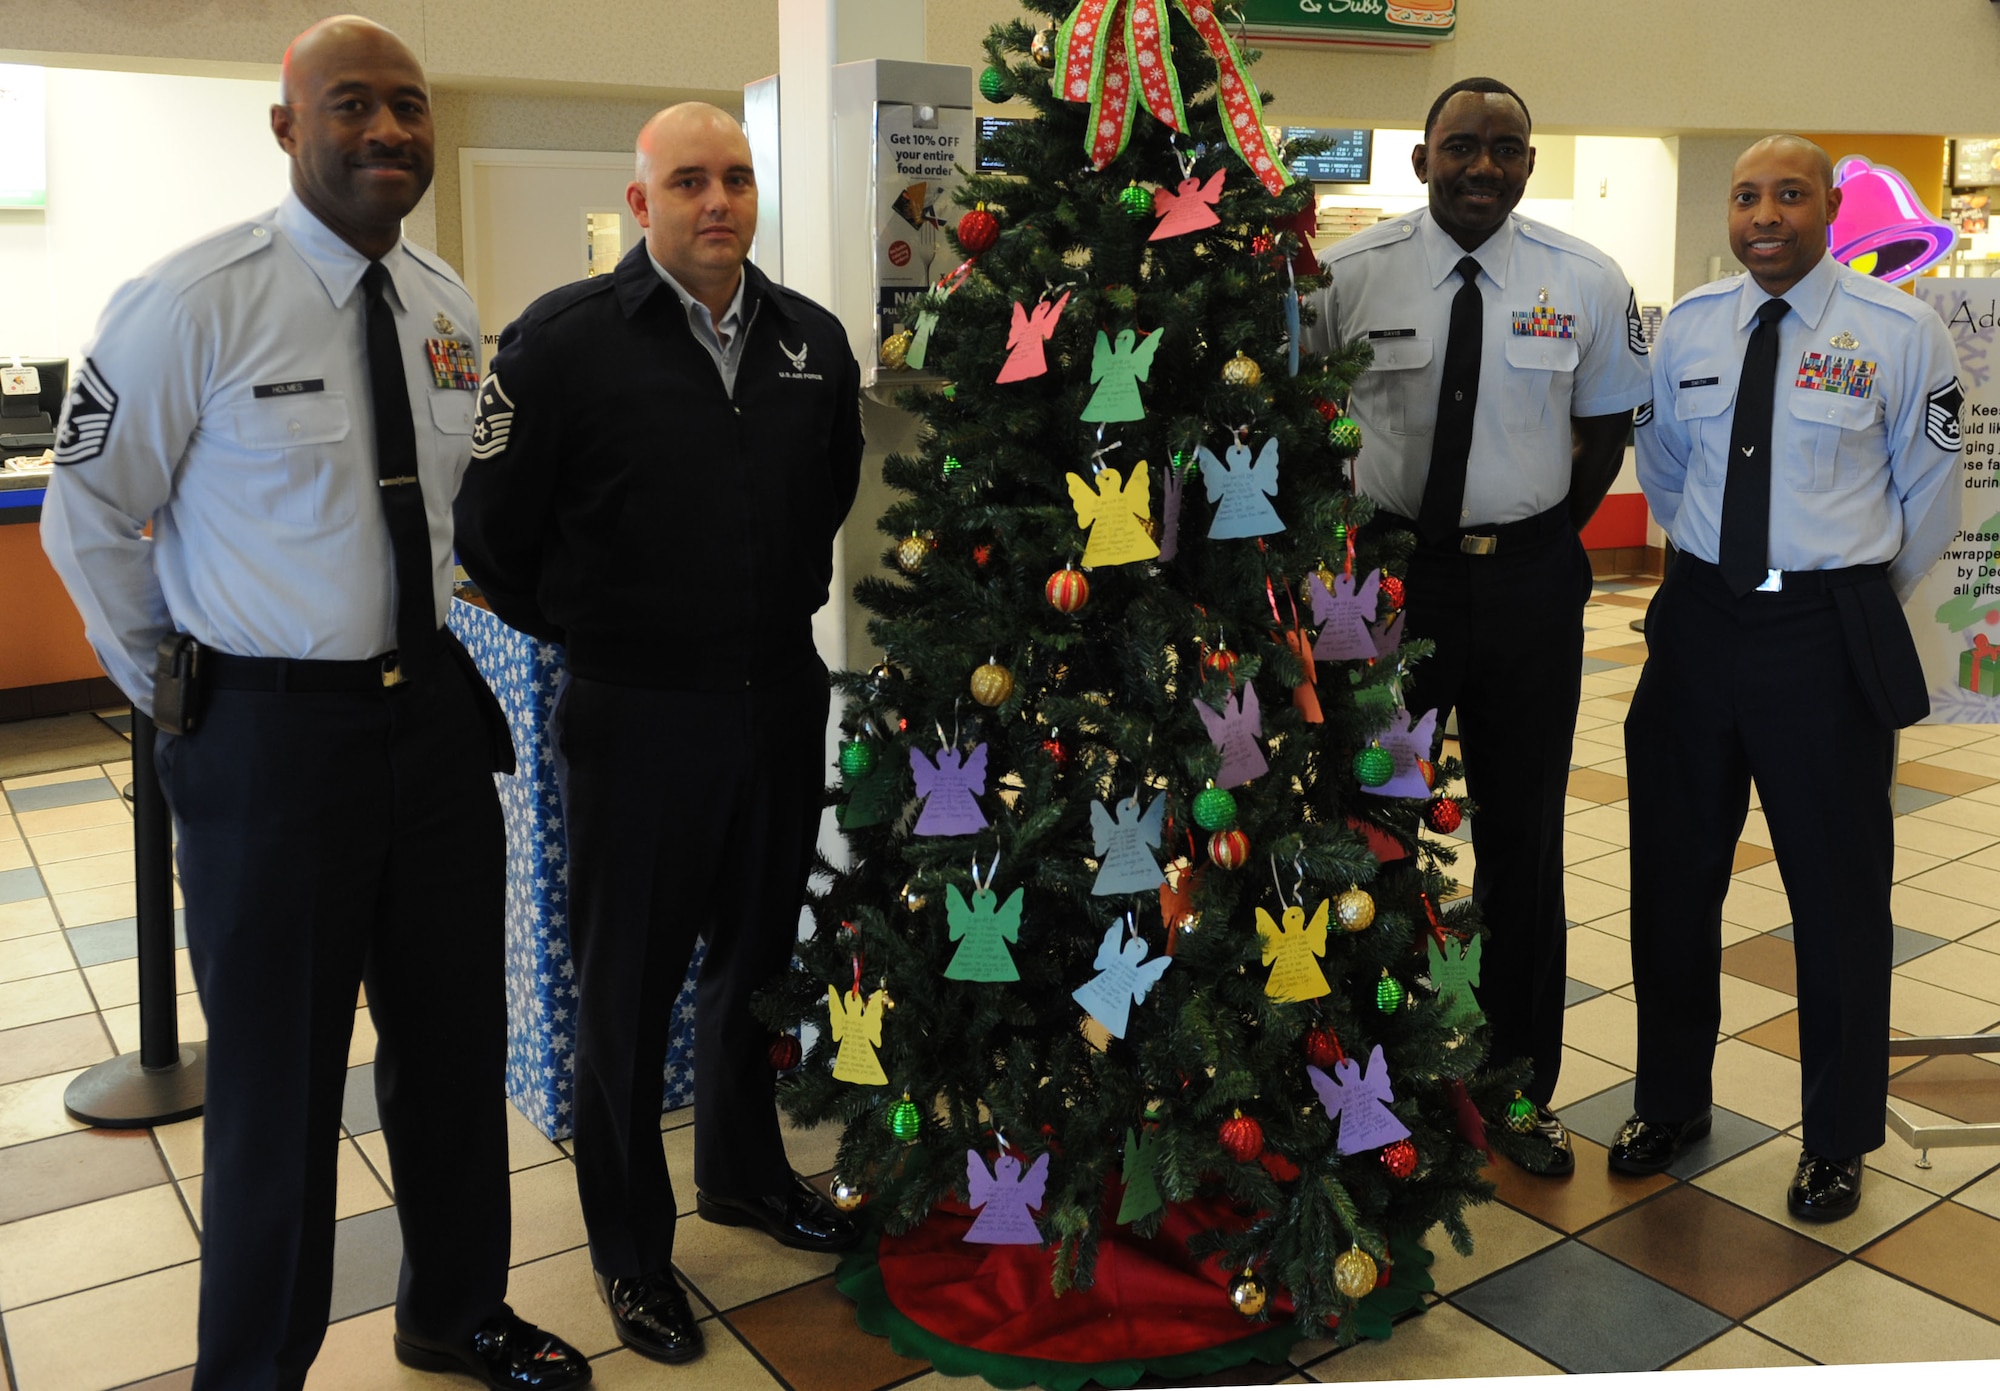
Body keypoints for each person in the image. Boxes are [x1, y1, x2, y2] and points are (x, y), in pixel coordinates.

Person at [39, 16, 591, 1390]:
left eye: (408, 107)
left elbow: (453, 509)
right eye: (353, 106)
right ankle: (255, 1367)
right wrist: (173, 683)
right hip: (270, 740)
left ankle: (454, 1309)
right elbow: (88, 514)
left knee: (455, 1049)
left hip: (431, 725)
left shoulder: (449, 305)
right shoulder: (191, 301)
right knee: (280, 1089)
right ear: (288, 127)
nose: (390, 132)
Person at [453, 101, 864, 1364]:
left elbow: (829, 491)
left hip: (778, 696)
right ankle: (632, 1251)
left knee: (754, 961)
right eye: (687, 181)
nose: (717, 201)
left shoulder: (810, 339)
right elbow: (489, 535)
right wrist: (599, 621)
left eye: (735, 178)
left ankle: (743, 1176)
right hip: (633, 710)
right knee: (625, 991)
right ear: (639, 204)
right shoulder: (562, 343)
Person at [1302, 77, 1651, 1174]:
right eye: (1461, 147)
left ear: (1529, 164)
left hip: (1526, 592)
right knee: (1369, 825)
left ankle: (1513, 1084)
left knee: (1521, 834)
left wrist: (1526, 535)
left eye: (1505, 149)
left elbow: (1599, 433)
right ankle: (1365, 1083)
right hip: (1385, 587)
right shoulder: (1347, 279)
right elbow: (1304, 421)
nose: (1482, 167)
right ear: (1420, 158)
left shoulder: (1584, 282)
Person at [1618, 136, 1961, 1218]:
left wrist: (1830, 587)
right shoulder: (1690, 326)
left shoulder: (1898, 331)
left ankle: (1834, 1133)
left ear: (1828, 206)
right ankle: (1670, 1097)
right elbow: (1666, 467)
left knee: (1836, 894)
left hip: (1824, 630)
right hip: (1698, 622)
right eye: (1744, 195)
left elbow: (1927, 493)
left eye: (1787, 194)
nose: (1763, 212)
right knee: (1671, 879)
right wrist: (1724, 570)